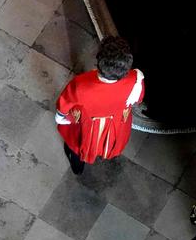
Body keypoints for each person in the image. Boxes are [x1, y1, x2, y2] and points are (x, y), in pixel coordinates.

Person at [55, 36, 144, 175]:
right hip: (116, 123)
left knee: (77, 144)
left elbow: (65, 104)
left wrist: (61, 117)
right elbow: (138, 99)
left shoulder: (81, 84)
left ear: (99, 61)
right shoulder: (135, 79)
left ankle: (78, 167)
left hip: (88, 126)